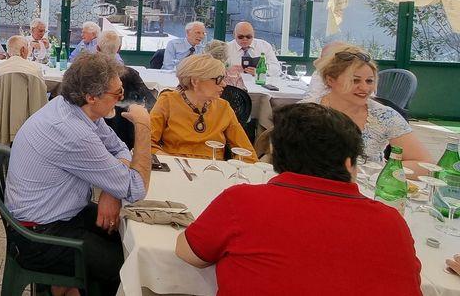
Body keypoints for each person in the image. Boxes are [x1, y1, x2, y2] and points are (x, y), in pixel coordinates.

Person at [175, 103, 422, 295]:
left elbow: (189, 253)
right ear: (349, 163)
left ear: (275, 156)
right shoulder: (392, 222)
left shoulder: (243, 202)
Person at [5, 53, 152, 296]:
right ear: (92, 97)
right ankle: (61, 286)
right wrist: (144, 127)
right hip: (38, 236)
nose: (121, 98)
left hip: (61, 213)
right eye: (117, 94)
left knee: (128, 236)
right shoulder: (73, 132)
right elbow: (136, 188)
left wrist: (110, 191)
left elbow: (118, 148)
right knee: (129, 265)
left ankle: (60, 288)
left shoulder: (74, 108)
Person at [303, 48, 431, 173]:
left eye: (369, 81)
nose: (365, 88)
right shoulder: (305, 112)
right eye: (355, 80)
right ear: (330, 80)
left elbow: (425, 164)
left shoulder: (383, 116)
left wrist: (376, 171)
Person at [149, 54, 257, 161]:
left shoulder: (223, 107)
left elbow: (247, 152)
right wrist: (171, 161)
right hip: (176, 167)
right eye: (219, 79)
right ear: (195, 81)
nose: (224, 84)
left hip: (213, 168)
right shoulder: (168, 101)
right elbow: (147, 143)